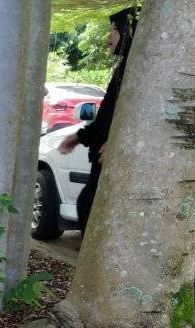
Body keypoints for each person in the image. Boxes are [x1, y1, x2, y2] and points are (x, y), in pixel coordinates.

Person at [58, 7, 138, 232]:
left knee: (95, 214)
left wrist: (118, 143)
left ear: (130, 31)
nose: (109, 36)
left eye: (115, 29)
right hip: (101, 162)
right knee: (88, 207)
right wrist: (79, 136)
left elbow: (136, 119)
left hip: (117, 164)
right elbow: (108, 118)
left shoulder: (138, 72)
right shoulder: (125, 68)